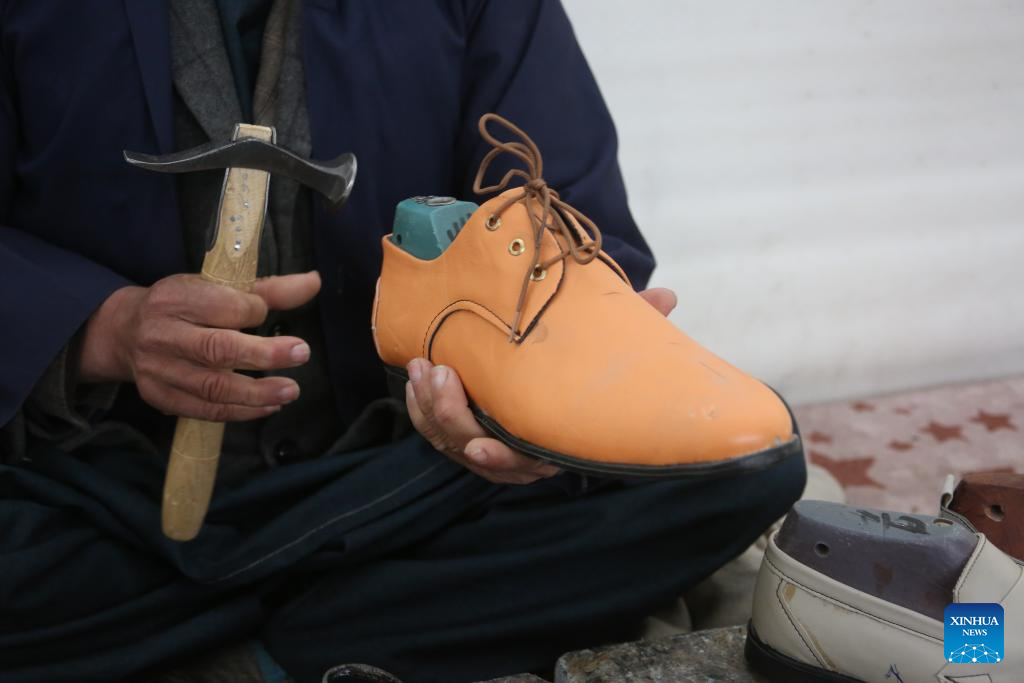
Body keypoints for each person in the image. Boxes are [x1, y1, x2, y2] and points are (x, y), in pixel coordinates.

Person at [0, 1, 807, 681]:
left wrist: (513, 393)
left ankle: (242, 650)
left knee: (739, 464)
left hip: (395, 471)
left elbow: (567, 215)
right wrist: (99, 328)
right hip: (101, 486)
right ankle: (356, 629)